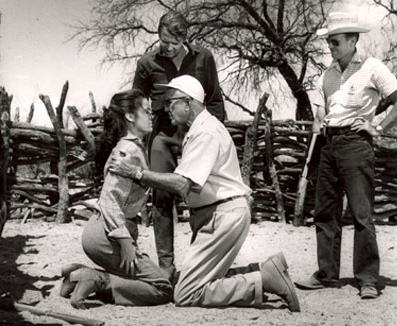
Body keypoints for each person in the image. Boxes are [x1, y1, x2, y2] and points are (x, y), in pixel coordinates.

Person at [108, 75, 300, 311]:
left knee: (186, 294)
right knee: (201, 280)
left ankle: (262, 281)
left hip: (221, 217)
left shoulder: (205, 133)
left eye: (171, 103)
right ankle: (264, 271)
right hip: (219, 215)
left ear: (188, 102)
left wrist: (137, 173)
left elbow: (182, 184)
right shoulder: (199, 130)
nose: (166, 109)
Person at [295, 12, 397, 299]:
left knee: (361, 213)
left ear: (352, 40)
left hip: (356, 145)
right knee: (325, 212)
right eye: (329, 42)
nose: (331, 47)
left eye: (335, 42)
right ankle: (326, 274)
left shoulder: (372, 67)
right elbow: (323, 111)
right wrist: (319, 121)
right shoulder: (327, 74)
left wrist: (378, 127)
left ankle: (368, 279)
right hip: (329, 144)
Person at [132, 11, 225, 283]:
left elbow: (215, 98)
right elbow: (136, 102)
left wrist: (217, 134)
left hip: (197, 133)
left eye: (173, 42)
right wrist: (137, 139)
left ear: (185, 37)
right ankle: (166, 266)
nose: (167, 47)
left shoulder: (203, 58)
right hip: (163, 133)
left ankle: (202, 261)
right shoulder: (147, 62)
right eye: (162, 40)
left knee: (201, 193)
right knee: (161, 195)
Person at [59, 89, 172, 309]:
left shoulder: (130, 146)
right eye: (146, 111)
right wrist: (125, 241)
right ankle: (96, 279)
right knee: (162, 288)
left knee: (137, 278)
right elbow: (110, 200)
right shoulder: (128, 151)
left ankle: (75, 275)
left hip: (103, 231)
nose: (151, 116)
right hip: (108, 234)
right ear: (130, 116)